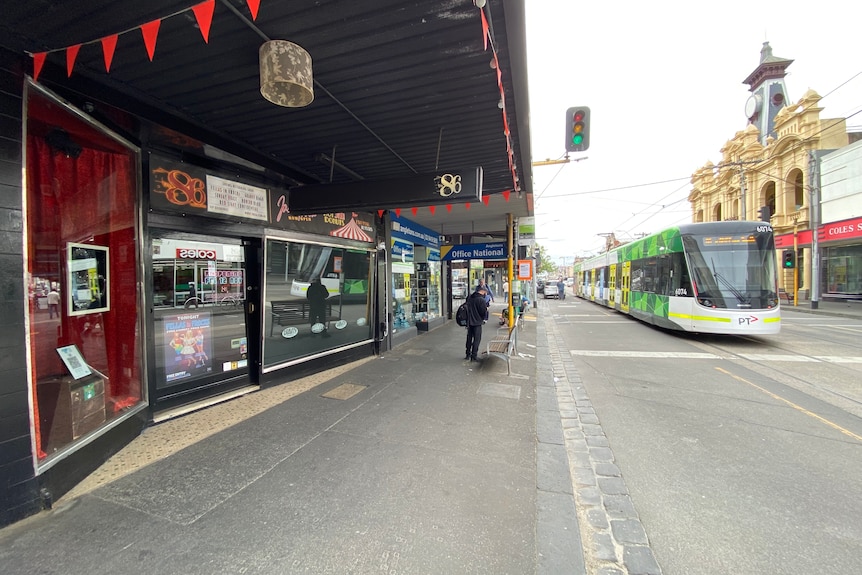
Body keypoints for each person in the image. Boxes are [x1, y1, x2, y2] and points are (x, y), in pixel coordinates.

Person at [465, 286, 489, 361]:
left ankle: (467, 354)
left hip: (469, 321)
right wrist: (486, 310)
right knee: (476, 339)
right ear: (483, 291)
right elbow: (483, 312)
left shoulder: (470, 297)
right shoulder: (481, 300)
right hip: (477, 322)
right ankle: (474, 356)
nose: (485, 294)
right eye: (485, 293)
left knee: (469, 338)